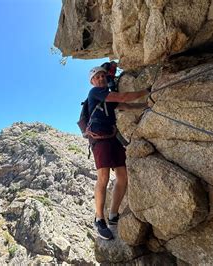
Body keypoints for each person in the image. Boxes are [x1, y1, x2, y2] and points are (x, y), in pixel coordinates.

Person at [87, 66, 150, 240]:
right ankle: (99, 218)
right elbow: (123, 97)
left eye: (102, 76)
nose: (100, 79)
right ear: (92, 82)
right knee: (104, 178)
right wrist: (147, 90)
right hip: (99, 140)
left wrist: (147, 103)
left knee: (123, 176)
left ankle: (113, 215)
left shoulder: (106, 95)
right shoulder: (95, 93)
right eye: (97, 77)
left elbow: (126, 105)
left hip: (111, 138)